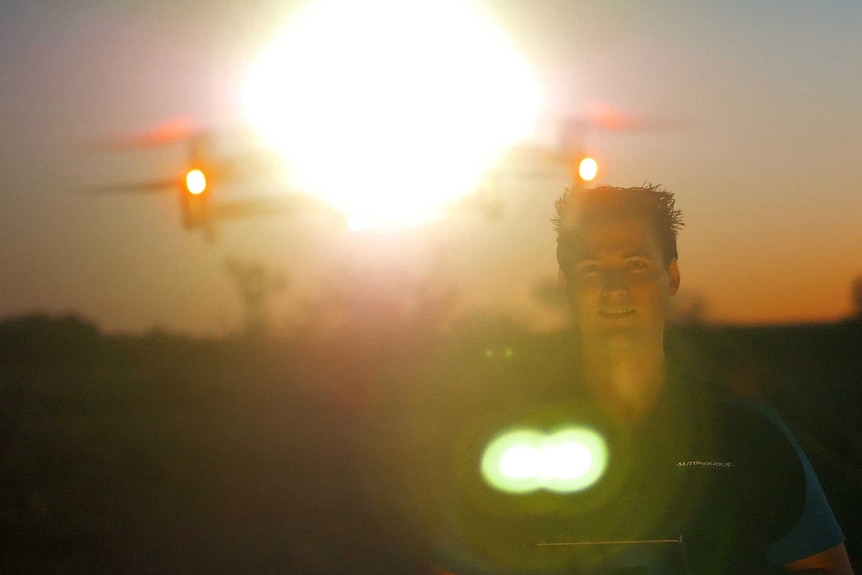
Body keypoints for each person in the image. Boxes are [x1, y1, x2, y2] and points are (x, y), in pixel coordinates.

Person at [430, 184, 854, 574]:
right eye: (593, 268)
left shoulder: (748, 433)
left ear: (670, 277)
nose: (615, 287)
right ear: (566, 283)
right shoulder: (510, 443)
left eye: (634, 264)